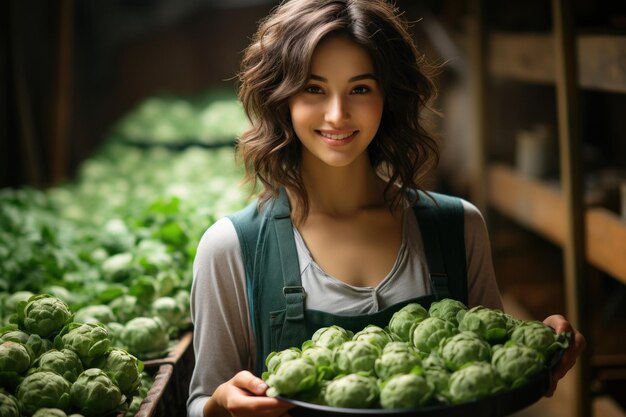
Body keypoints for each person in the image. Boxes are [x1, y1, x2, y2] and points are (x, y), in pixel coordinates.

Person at [187, 1, 586, 416]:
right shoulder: (232, 247)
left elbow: (489, 381)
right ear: (280, 98)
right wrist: (219, 404)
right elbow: (199, 403)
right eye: (313, 88)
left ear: (388, 98)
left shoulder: (459, 225)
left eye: (360, 88)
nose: (337, 115)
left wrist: (537, 353)